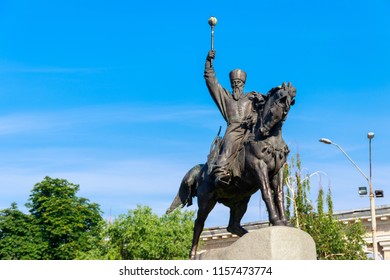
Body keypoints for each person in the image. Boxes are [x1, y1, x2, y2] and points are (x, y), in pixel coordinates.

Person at [204, 49, 265, 187]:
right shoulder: (225, 97)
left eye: (239, 83)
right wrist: (208, 62)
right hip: (234, 130)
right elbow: (211, 82)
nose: (236, 85)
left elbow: (266, 109)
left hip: (250, 131)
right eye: (234, 83)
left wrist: (255, 116)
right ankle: (220, 172)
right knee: (228, 144)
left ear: (243, 84)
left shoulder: (252, 97)